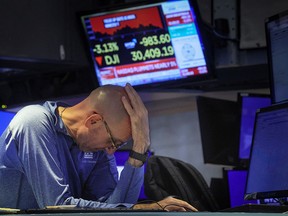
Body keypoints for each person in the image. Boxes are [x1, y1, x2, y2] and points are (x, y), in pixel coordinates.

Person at [0, 83, 197, 212]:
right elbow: (55, 207)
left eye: (118, 145)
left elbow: (114, 208)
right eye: (113, 141)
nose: (111, 151)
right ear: (93, 121)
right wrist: (142, 208)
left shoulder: (96, 149)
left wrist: (140, 147)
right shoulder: (34, 121)